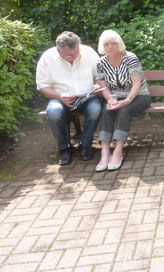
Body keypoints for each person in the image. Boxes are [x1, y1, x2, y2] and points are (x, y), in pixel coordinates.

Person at [36, 31, 102, 165]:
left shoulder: (88, 52)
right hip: (60, 98)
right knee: (53, 111)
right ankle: (64, 148)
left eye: (77, 52)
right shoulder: (47, 58)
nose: (74, 56)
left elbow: (99, 75)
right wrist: (59, 96)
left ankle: (85, 145)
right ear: (59, 51)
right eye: (69, 55)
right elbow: (42, 86)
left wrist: (97, 84)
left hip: (87, 96)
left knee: (95, 109)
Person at [95, 30, 152, 172]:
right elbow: (104, 87)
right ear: (102, 46)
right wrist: (110, 100)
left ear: (119, 43)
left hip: (139, 96)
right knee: (106, 110)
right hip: (116, 96)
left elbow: (137, 84)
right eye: (106, 44)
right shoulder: (101, 63)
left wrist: (126, 101)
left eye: (113, 43)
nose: (110, 46)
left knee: (124, 110)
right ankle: (105, 152)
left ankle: (118, 151)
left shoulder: (130, 58)